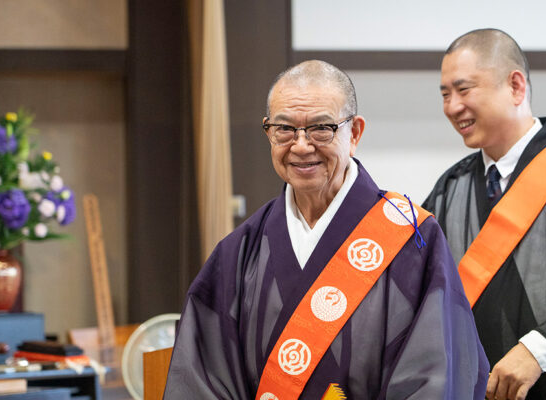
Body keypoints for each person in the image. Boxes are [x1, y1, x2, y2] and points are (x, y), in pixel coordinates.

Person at [164, 60, 488, 399]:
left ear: (355, 133)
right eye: (284, 129)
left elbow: (437, 373)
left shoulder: (412, 242)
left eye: (321, 128)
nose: (301, 146)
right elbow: (200, 375)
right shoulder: (238, 252)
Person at [423, 28, 546, 400]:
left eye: (464, 89)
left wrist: (539, 349)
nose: (452, 107)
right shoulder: (451, 187)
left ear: (516, 86)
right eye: (445, 94)